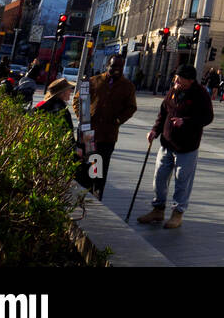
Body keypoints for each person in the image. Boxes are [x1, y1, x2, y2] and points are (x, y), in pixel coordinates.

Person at [137, 64, 214, 230]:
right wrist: (154, 131)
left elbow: (207, 117)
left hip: (186, 147)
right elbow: (163, 113)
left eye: (180, 78)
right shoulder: (173, 91)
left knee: (182, 182)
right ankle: (158, 209)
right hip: (166, 143)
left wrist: (185, 122)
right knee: (159, 178)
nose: (176, 81)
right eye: (176, 78)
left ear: (190, 80)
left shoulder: (200, 94)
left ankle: (177, 213)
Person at [87, 55, 138, 201]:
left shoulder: (127, 86)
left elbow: (131, 107)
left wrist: (118, 120)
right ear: (107, 65)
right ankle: (89, 188)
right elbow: (79, 99)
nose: (117, 70)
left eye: (120, 67)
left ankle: (97, 191)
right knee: (90, 161)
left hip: (108, 134)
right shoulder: (94, 81)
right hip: (90, 131)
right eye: (114, 66)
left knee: (101, 163)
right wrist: (84, 117)